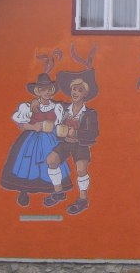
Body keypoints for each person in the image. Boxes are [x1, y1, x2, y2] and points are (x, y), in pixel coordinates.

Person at [0, 73, 72, 207]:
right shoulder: (28, 106)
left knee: (51, 161)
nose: (47, 92)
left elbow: (60, 122)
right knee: (27, 162)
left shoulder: (57, 107)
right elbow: (21, 125)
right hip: (31, 138)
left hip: (50, 139)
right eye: (43, 90)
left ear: (52, 91)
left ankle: (54, 191)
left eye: (49, 89)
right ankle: (24, 190)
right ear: (37, 91)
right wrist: (33, 126)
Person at [43, 68, 99, 215]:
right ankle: (58, 192)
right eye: (73, 89)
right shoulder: (63, 108)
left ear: (85, 94)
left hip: (80, 145)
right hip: (65, 143)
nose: (75, 93)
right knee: (51, 160)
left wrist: (76, 133)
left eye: (79, 90)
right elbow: (48, 103)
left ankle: (83, 199)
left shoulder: (90, 113)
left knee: (81, 169)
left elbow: (94, 133)